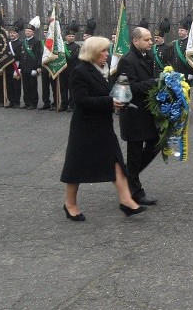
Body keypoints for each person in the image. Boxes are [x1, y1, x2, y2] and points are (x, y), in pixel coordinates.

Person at [59, 35, 145, 221]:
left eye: (107, 50)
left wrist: (117, 101)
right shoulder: (80, 71)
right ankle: (70, 204)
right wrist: (109, 102)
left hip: (103, 126)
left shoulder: (100, 69)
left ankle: (126, 200)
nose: (107, 54)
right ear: (93, 53)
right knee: (76, 167)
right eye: (103, 51)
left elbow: (104, 94)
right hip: (85, 126)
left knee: (117, 163)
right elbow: (80, 101)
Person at [114, 26, 161, 206]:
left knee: (155, 143)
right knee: (134, 153)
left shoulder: (147, 56)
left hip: (147, 113)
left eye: (150, 39)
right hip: (133, 114)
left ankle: (127, 176)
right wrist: (154, 82)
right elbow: (129, 88)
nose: (151, 42)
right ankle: (135, 191)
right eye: (147, 40)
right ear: (135, 41)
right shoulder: (127, 61)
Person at [19, 16, 42, 109]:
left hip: (32, 67)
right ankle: (27, 102)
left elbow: (38, 55)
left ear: (33, 32)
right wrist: (20, 67)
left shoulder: (36, 42)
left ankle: (33, 103)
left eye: (29, 31)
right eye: (26, 31)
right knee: (25, 86)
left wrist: (36, 68)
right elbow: (21, 55)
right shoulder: (23, 42)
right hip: (24, 67)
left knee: (33, 86)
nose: (27, 32)